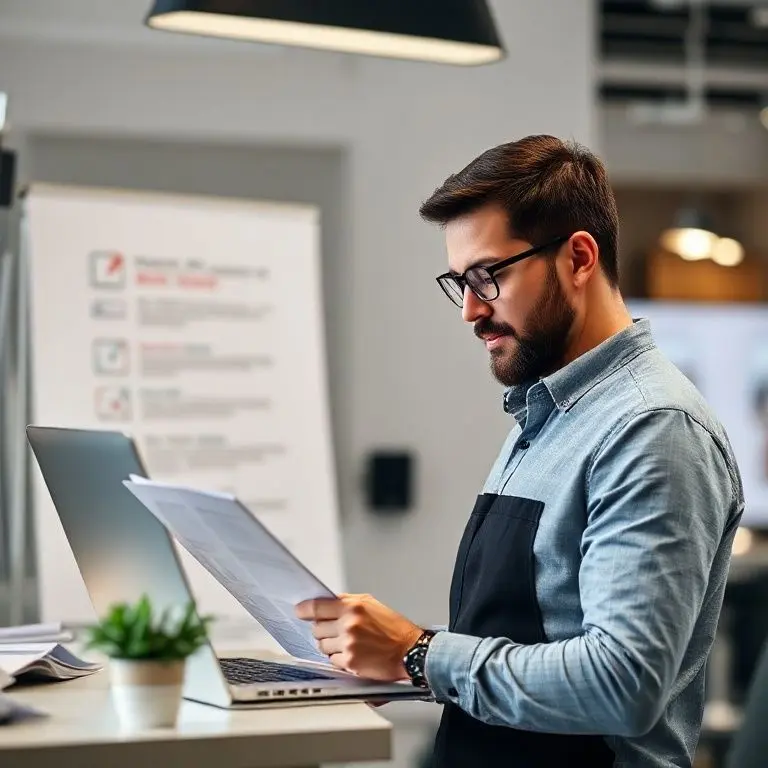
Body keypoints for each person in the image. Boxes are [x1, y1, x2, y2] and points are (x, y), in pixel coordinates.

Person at [296, 135, 744, 767]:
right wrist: (392, 664)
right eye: (460, 283)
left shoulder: (653, 429)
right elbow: (527, 639)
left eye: (489, 277)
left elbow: (622, 684)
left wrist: (419, 653)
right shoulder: (544, 414)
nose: (472, 311)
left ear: (579, 258)